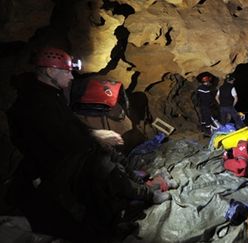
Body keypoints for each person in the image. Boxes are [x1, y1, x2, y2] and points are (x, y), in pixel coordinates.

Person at [6, 47, 170, 242]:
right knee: (103, 165)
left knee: (108, 154)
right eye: (66, 71)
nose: (72, 77)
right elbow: (61, 139)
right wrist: (95, 139)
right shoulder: (36, 102)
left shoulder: (50, 94)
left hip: (64, 156)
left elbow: (71, 126)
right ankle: (144, 197)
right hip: (49, 166)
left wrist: (96, 134)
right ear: (50, 72)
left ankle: (134, 196)